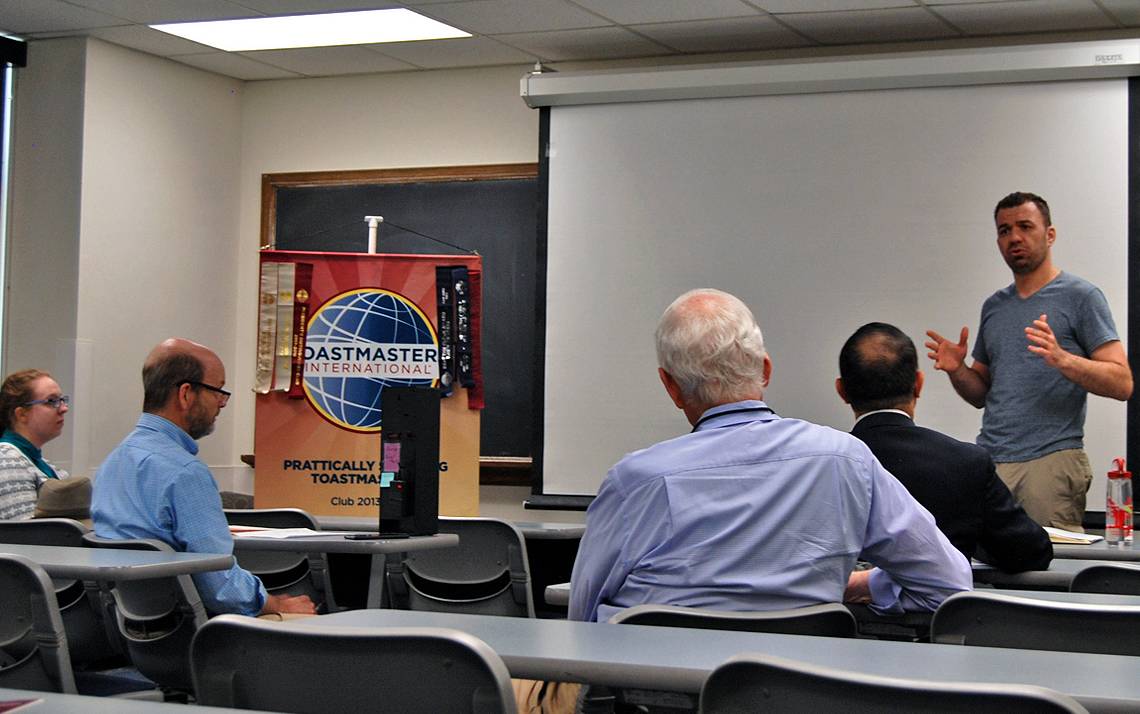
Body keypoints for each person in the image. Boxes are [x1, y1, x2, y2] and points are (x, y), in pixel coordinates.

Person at [570, 289, 972, 625]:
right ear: (765, 370)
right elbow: (949, 584)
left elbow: (582, 621)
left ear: (671, 387)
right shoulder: (846, 461)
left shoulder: (635, 482)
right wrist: (862, 585)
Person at [926, 192, 1133, 531]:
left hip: (1050, 462)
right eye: (1005, 230)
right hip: (992, 462)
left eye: (1025, 226)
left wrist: (1064, 360)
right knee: (988, 573)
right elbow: (981, 393)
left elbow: (1122, 383)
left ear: (1049, 234)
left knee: (1049, 575)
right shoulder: (995, 306)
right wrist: (958, 370)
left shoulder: (1081, 297)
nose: (1015, 237)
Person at [92, 338, 315, 617]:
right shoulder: (185, 473)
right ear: (186, 394)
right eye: (217, 391)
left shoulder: (111, 464)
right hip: (195, 637)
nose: (222, 403)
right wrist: (277, 605)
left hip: (129, 633)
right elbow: (221, 588)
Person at [838, 322, 1052, 572]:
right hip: (942, 611)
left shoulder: (819, 462)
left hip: (842, 610)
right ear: (918, 384)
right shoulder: (966, 461)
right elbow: (1030, 552)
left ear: (842, 391)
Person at [0, 369, 72, 520]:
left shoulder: (43, 464)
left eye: (62, 400)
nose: (64, 408)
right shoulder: (5, 461)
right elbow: (28, 537)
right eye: (51, 401)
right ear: (21, 414)